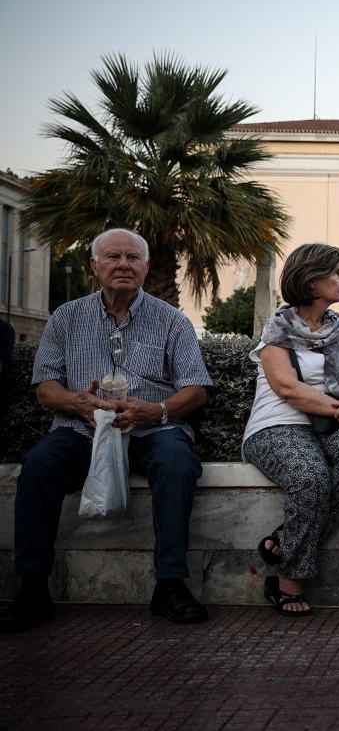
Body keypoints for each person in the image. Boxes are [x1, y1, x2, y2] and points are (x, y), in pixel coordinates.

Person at [1, 229, 212, 633]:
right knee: (39, 465)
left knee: (177, 462)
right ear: (94, 266)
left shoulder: (172, 320)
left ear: (147, 267)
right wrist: (78, 403)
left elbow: (196, 389)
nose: (123, 264)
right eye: (113, 256)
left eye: (133, 258)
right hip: (82, 429)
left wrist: (156, 410)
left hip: (151, 430)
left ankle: (170, 584)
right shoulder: (66, 317)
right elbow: (45, 387)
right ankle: (32, 588)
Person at [243, 243, 339, 617]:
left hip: (330, 426)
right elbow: (288, 388)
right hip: (278, 425)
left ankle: (285, 540)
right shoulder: (277, 330)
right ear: (310, 280)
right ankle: (289, 581)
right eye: (336, 272)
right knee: (310, 476)